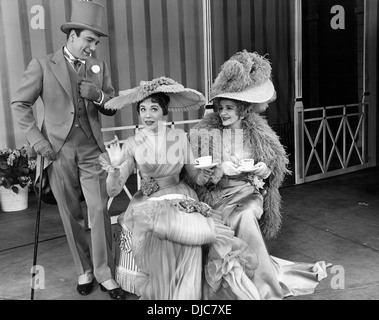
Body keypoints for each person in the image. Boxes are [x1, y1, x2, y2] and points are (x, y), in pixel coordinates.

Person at [185, 50, 330, 300]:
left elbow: (276, 167)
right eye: (221, 108)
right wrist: (215, 172)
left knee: (244, 216)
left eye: (230, 108)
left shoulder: (259, 134)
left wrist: (265, 170)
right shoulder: (207, 133)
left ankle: (261, 283)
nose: (224, 113)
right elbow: (192, 173)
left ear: (242, 110)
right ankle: (233, 282)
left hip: (248, 193)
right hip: (217, 195)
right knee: (219, 223)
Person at [101, 77, 261, 300]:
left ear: (164, 112)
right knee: (162, 232)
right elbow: (113, 191)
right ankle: (166, 291)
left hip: (181, 194)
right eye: (143, 109)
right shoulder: (131, 143)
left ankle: (187, 292)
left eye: (154, 109)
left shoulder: (179, 138)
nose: (147, 115)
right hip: (149, 201)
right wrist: (115, 168)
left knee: (192, 232)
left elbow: (195, 176)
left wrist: (204, 174)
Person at [11, 0, 127, 300]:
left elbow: (112, 105)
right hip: (57, 151)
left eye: (96, 42)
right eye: (88, 40)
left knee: (99, 210)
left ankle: (104, 271)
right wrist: (38, 142)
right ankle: (84, 270)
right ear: (72, 36)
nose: (92, 47)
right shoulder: (42, 65)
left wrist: (99, 95)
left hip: (92, 148)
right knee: (70, 214)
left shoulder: (99, 67)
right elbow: (20, 104)